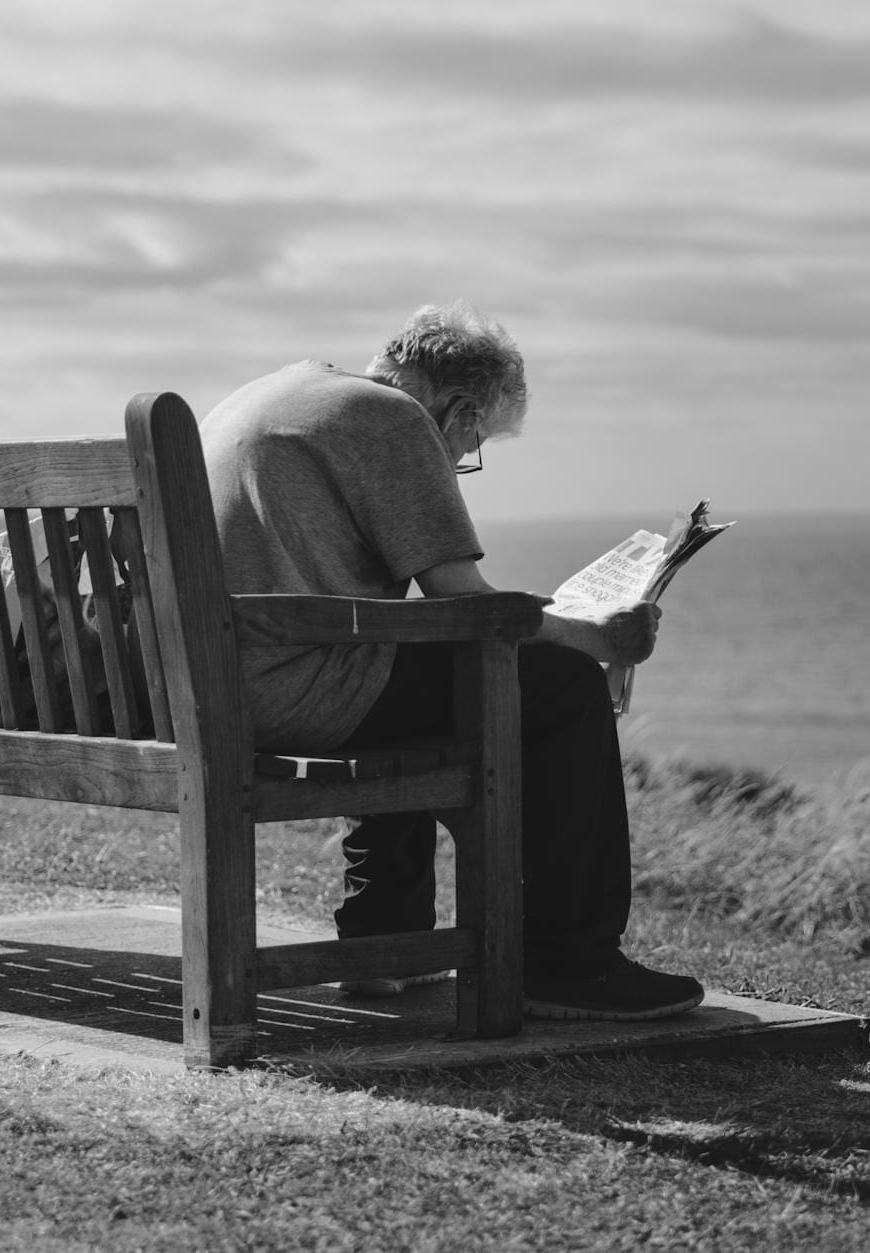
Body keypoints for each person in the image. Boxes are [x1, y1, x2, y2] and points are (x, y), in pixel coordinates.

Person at [199, 301, 703, 1021]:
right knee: (561, 686)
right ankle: (571, 962)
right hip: (285, 687)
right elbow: (461, 598)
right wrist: (596, 638)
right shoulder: (395, 420)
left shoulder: (278, 391)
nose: (462, 463)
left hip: (211, 679)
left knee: (412, 659)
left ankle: (385, 940)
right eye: (474, 443)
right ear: (462, 408)